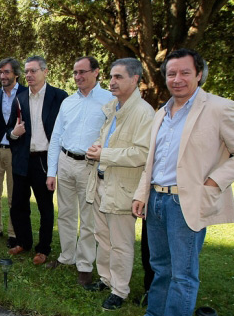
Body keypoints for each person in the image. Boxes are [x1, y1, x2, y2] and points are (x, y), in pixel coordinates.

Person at [132, 49, 234, 316]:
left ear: (199, 74)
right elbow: (153, 160)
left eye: (185, 73)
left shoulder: (220, 108)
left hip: (185, 202)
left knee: (182, 274)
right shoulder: (161, 113)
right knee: (160, 268)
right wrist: (141, 194)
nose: (177, 79)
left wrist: (214, 182)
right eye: (171, 73)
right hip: (156, 200)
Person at [83, 58, 154, 310]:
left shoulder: (144, 112)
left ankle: (120, 290)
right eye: (111, 76)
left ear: (135, 80)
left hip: (123, 188)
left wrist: (105, 154)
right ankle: (106, 278)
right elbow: (110, 141)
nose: (112, 81)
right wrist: (98, 148)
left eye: (119, 77)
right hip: (101, 182)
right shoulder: (113, 107)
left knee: (121, 243)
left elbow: (143, 154)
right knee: (102, 236)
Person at [44, 56, 113, 285]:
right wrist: (51, 171)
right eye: (75, 72)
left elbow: (112, 136)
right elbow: (56, 137)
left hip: (89, 165)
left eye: (82, 72)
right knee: (65, 213)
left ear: (96, 72)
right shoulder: (68, 102)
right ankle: (67, 256)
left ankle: (84, 264)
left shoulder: (109, 100)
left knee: (88, 218)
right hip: (65, 161)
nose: (78, 77)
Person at [7, 56, 68, 265]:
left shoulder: (59, 97)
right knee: (18, 205)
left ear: (45, 71)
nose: (29, 75)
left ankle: (43, 248)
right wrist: (14, 133)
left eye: (33, 71)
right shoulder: (20, 98)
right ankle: (23, 241)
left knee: (45, 207)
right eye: (27, 72)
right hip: (23, 160)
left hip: (44, 159)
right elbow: (9, 131)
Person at [0, 58, 27, 248]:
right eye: (0, 72)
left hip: (15, 151)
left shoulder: (26, 94)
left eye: (6, 72)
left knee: (14, 197)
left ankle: (13, 233)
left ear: (16, 74)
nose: (3, 76)